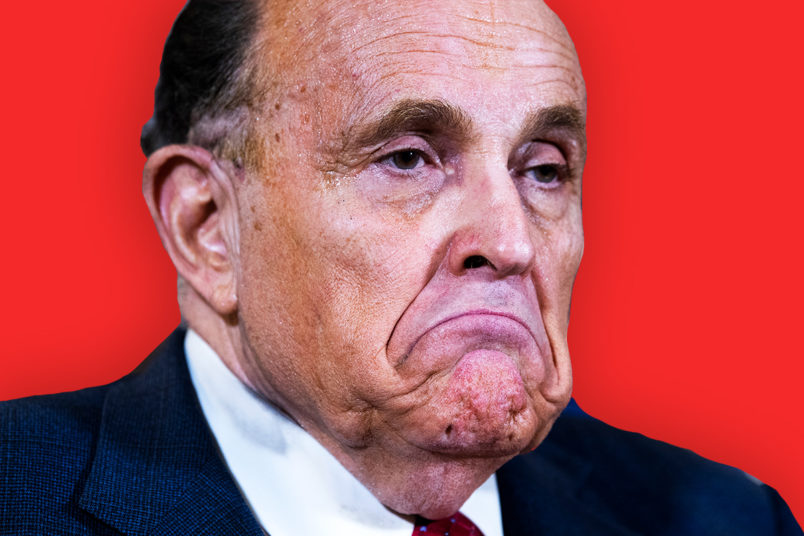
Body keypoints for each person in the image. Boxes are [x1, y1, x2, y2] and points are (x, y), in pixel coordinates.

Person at [1, 0, 800, 534]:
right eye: (409, 158)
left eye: (544, 169)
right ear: (208, 225)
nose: (512, 241)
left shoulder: (727, 521)